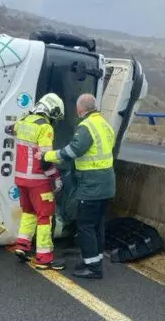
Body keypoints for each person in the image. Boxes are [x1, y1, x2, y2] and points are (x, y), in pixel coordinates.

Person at [39, 93, 115, 279]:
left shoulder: (86, 126)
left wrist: (46, 156)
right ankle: (93, 260)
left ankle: (93, 269)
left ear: (80, 109)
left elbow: (72, 150)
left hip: (91, 185)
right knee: (96, 225)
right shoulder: (105, 125)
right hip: (107, 184)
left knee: (85, 225)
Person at [12, 92, 66, 271]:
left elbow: (12, 130)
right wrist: (56, 178)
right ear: (52, 110)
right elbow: (45, 159)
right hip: (37, 180)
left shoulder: (23, 122)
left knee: (28, 212)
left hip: (20, 178)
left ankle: (22, 245)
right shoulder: (45, 128)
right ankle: (44, 257)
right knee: (44, 216)